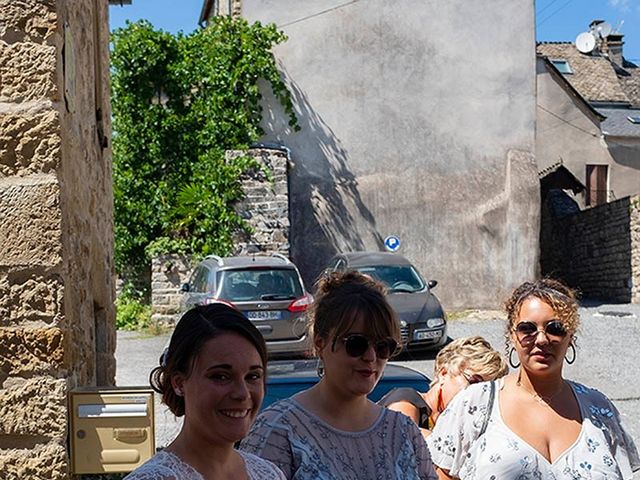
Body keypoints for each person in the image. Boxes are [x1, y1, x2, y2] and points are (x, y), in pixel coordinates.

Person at [427, 279, 640, 480]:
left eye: (555, 328)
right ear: (512, 335)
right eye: (527, 329)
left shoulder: (599, 409)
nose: (541, 339)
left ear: (570, 336)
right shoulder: (475, 403)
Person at [240, 271, 437, 479]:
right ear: (320, 343)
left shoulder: (403, 431)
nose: (370, 357)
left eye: (383, 346)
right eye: (356, 344)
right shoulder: (278, 430)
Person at [124, 303, 285, 480]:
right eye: (221, 376)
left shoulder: (268, 474)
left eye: (252, 376)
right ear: (179, 383)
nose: (242, 393)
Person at [378, 336, 508, 438]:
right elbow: (404, 439)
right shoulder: (406, 400)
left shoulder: (450, 422)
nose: (478, 393)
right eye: (473, 382)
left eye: (487, 390)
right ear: (443, 373)